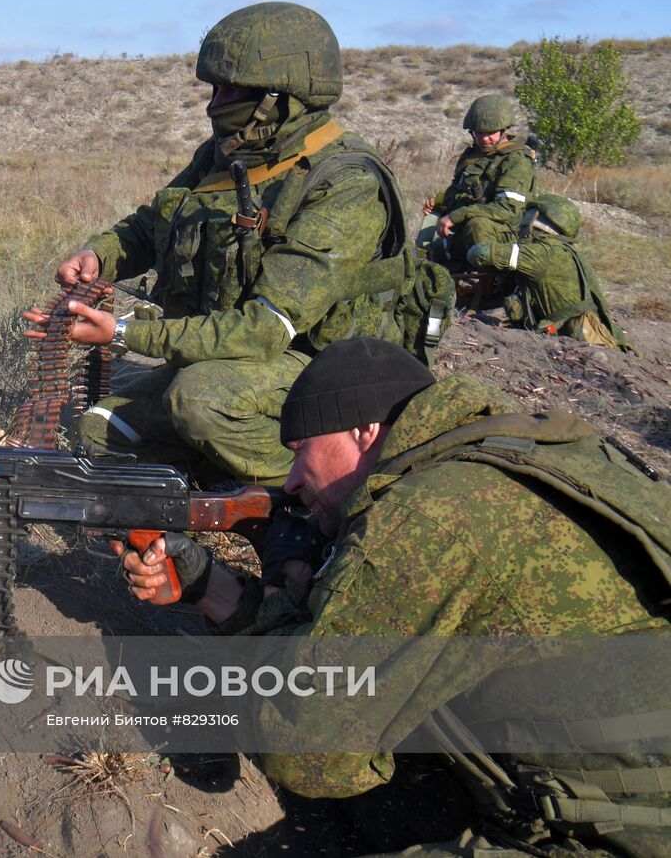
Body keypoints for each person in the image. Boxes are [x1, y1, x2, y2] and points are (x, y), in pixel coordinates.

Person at [116, 337, 670, 856]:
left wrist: (279, 612)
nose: (290, 481)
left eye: (302, 449)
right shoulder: (527, 453)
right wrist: (218, 591)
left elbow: (308, 753)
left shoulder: (429, 515)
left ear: (364, 430)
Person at [23, 1, 411, 487]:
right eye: (215, 87)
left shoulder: (346, 183)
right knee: (103, 431)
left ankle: (312, 501)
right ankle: (206, 506)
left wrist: (123, 333)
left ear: (281, 96)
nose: (216, 101)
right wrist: (100, 255)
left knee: (198, 398)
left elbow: (266, 329)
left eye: (233, 90)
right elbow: (155, 222)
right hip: (240, 358)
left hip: (325, 368)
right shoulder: (225, 154)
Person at [466, 194, 632, 351]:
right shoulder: (564, 250)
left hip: (577, 341)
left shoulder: (543, 252)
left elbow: (480, 253)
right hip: (577, 335)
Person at [421, 94, 538, 265]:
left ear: (504, 130)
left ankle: (486, 281)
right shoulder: (472, 156)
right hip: (464, 232)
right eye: (478, 133)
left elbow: (507, 209)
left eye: (491, 133)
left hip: (504, 234)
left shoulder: (517, 160)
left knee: (477, 225)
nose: (484, 139)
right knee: (428, 253)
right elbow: (463, 191)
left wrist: (456, 216)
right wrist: (440, 203)